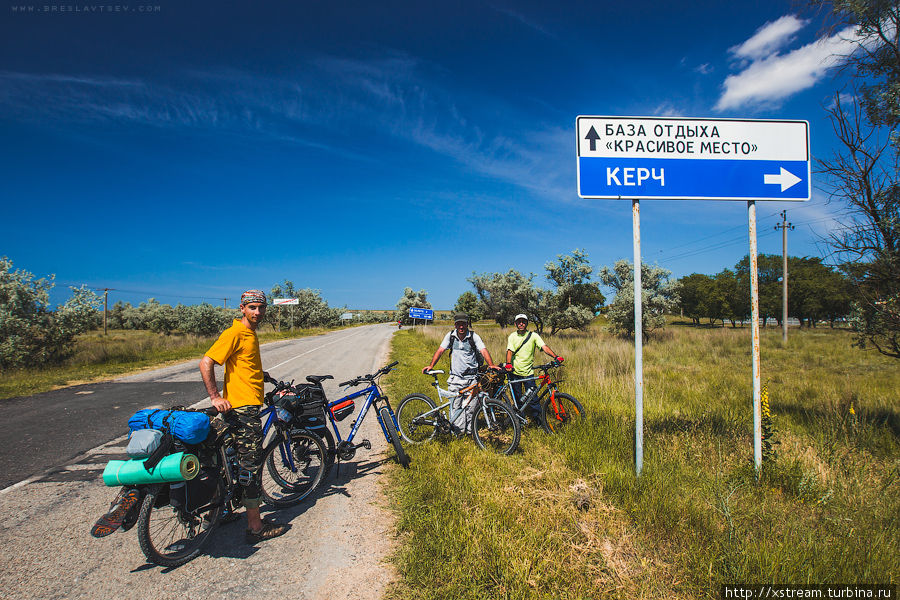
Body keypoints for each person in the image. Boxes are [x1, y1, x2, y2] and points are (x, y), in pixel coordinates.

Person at [199, 290, 289, 544]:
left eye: (261, 308)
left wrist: (265, 377)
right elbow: (206, 362)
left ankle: (221, 510)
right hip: (242, 410)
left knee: (228, 461)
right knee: (251, 465)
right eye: (252, 308)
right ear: (242, 308)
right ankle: (255, 527)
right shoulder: (235, 332)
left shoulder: (249, 333)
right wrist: (215, 396)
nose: (257, 312)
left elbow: (244, 366)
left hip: (242, 407)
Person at [423, 312, 497, 431]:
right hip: (455, 379)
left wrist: (491, 365)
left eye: (463, 324)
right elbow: (440, 350)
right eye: (458, 324)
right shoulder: (451, 336)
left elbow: (483, 350)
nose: (461, 327)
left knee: (471, 408)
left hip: (471, 379)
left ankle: (470, 431)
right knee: (456, 407)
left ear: (467, 324)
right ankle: (459, 432)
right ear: (455, 325)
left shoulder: (473, 336)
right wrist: (431, 365)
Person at [505, 313, 562, 421]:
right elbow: (509, 351)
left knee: (533, 399)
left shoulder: (533, 336)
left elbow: (544, 347)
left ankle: (539, 421)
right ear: (515, 323)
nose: (521, 323)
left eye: (523, 321)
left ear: (526, 323)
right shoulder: (512, 336)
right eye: (519, 322)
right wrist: (508, 364)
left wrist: (556, 357)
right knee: (517, 398)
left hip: (528, 373)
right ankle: (519, 420)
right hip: (514, 372)